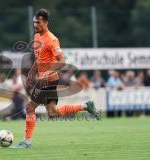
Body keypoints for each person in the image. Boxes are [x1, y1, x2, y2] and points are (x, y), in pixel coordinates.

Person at [12, 9, 99, 148]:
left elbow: (62, 61)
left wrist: (47, 73)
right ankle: (86, 106)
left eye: (38, 22)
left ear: (46, 22)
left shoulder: (52, 39)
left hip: (48, 79)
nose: (35, 25)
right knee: (53, 113)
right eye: (34, 22)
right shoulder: (36, 37)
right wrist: (31, 73)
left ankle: (26, 142)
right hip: (45, 79)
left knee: (29, 108)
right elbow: (39, 58)